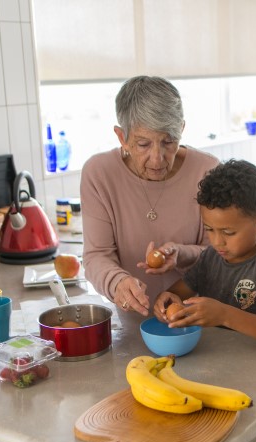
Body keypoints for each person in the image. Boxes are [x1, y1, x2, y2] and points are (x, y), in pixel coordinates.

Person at [81, 76, 219, 316]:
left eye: (169, 141)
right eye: (143, 144)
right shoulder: (99, 173)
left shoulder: (207, 171)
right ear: (121, 137)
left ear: (182, 130)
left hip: (197, 318)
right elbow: (96, 256)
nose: (158, 158)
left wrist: (181, 254)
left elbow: (220, 254)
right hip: (130, 320)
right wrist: (117, 283)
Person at [152, 159, 256, 347]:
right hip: (217, 362)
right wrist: (167, 301)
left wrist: (225, 316)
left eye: (228, 232)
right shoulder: (210, 258)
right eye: (209, 229)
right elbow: (176, 294)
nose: (217, 241)